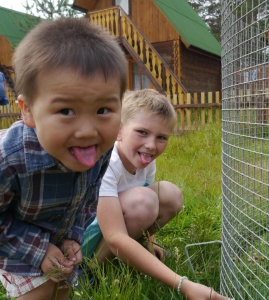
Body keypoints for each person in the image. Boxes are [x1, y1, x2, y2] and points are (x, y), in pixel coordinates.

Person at [0, 17, 127, 300]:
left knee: (62, 288)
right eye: (67, 111)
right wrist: (38, 249)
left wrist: (73, 237)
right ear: (28, 110)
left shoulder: (100, 148)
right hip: (14, 244)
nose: (87, 131)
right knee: (42, 291)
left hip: (58, 236)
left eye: (104, 109)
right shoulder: (10, 160)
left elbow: (88, 197)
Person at [82, 89, 233, 300]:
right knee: (143, 201)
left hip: (117, 222)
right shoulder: (107, 163)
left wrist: (150, 241)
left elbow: (150, 204)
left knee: (170, 194)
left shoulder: (146, 161)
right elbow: (114, 236)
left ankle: (136, 252)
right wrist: (182, 284)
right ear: (119, 130)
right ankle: (92, 271)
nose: (151, 145)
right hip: (84, 238)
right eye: (142, 132)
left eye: (161, 137)